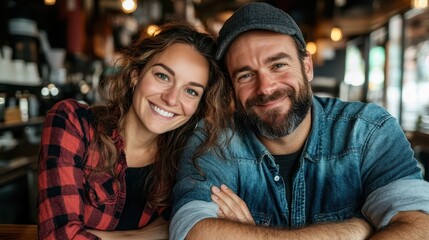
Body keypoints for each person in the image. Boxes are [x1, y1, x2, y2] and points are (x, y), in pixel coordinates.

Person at [170, 2, 429, 239]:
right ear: (231, 88)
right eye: (246, 75)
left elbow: (419, 225)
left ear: (306, 66)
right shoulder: (214, 138)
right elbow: (190, 230)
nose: (266, 88)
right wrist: (352, 231)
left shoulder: (367, 130)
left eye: (278, 65)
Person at [37, 22, 231, 240]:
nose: (171, 99)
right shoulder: (73, 122)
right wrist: (140, 236)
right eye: (163, 76)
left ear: (199, 105)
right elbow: (57, 237)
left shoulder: (188, 158)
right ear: (135, 75)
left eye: (191, 91)